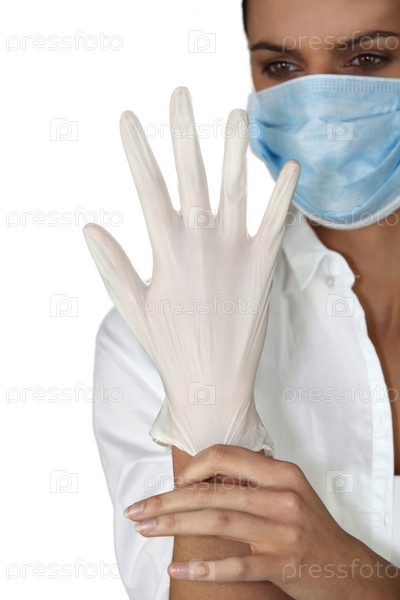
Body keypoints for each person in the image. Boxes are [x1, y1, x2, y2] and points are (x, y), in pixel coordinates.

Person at [90, 0, 400, 598]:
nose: (317, 105)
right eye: (282, 67)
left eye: (366, 59)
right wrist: (206, 427)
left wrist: (339, 569)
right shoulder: (159, 332)